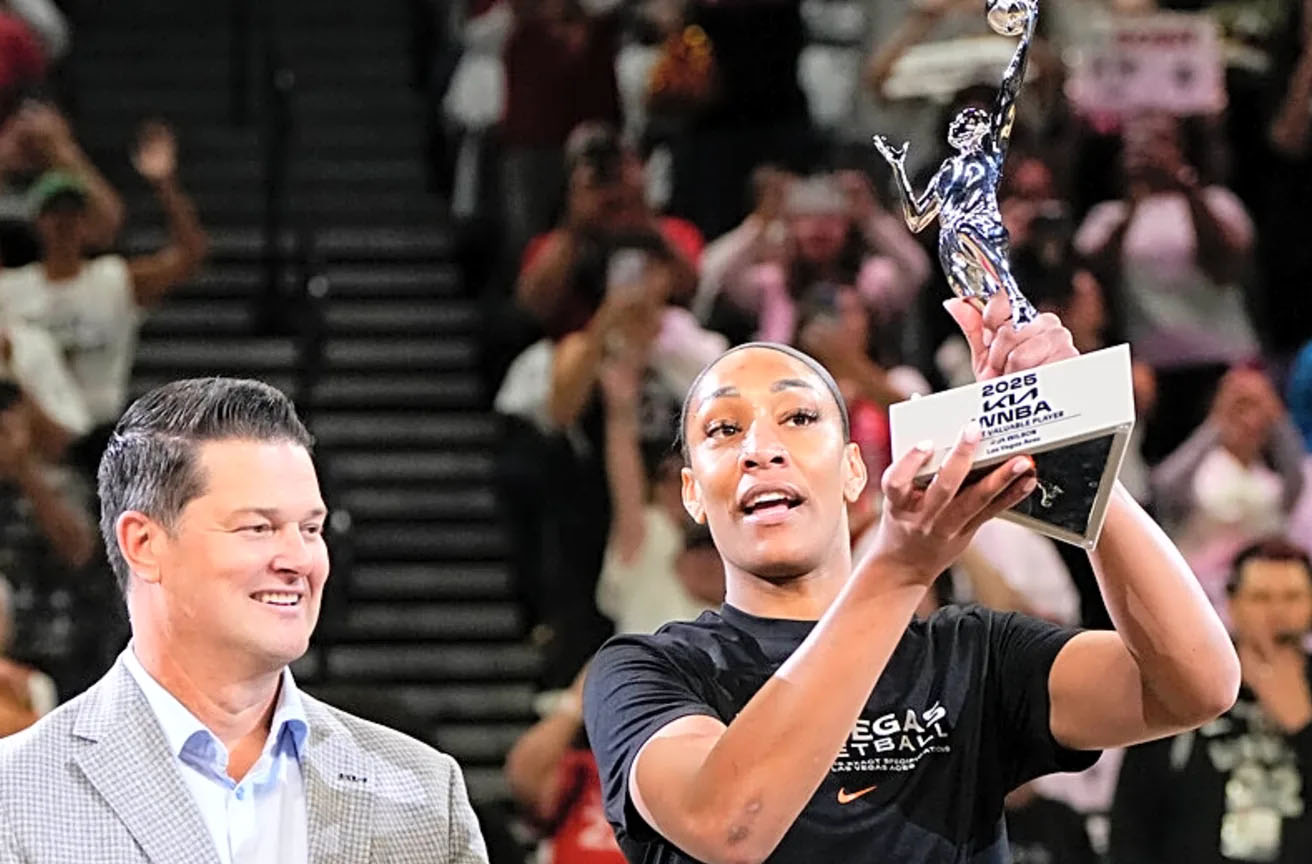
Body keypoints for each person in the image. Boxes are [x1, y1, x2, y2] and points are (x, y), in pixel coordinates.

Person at [583, 290, 1239, 863]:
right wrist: (897, 571)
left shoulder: (969, 656)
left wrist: (1076, 454)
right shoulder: (648, 672)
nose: (761, 448)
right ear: (693, 494)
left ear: (853, 471)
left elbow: (1197, 686)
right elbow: (730, 825)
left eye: (799, 418)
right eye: (725, 429)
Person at [0, 377, 488, 863]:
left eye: (311, 529)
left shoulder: (425, 792)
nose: (300, 559)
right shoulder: (15, 794)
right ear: (144, 545)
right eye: (258, 527)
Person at [0, 120, 207, 476]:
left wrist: (165, 184)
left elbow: (190, 256)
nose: (64, 223)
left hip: (101, 443)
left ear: (86, 223)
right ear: (38, 222)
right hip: (29, 446)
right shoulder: (9, 288)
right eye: (54, 213)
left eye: (73, 213)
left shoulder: (113, 280)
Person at [1110, 538, 1312, 864]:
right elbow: (1134, 811)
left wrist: (1302, 725)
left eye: (1292, 597)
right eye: (1261, 597)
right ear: (1233, 604)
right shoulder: (1189, 683)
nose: (1277, 613)